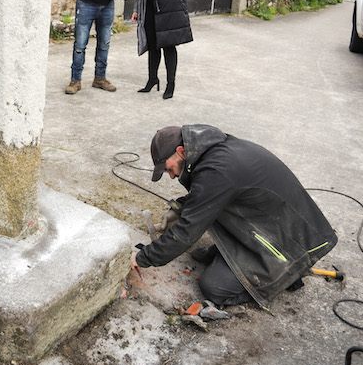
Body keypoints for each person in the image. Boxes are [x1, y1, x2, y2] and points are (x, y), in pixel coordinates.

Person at [132, 125, 337, 309]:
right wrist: (177, 209)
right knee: (207, 236)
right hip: (267, 219)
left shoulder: (218, 169)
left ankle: (286, 274)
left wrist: (143, 258)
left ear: (182, 151)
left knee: (213, 287)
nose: (172, 176)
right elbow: (207, 194)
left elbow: (187, 230)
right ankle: (231, 254)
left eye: (169, 169)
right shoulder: (212, 150)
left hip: (288, 240)